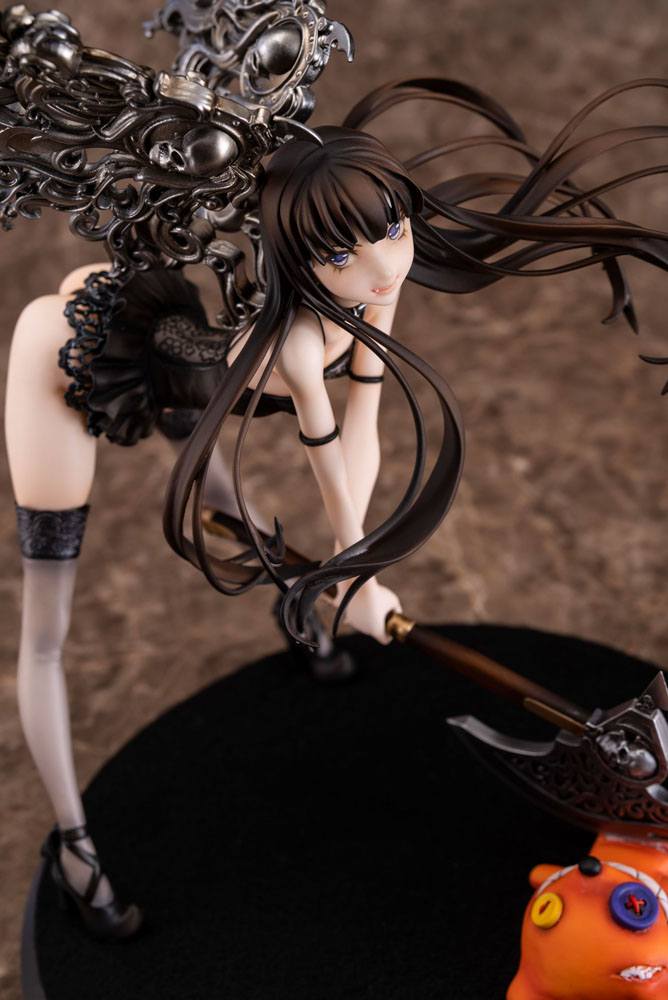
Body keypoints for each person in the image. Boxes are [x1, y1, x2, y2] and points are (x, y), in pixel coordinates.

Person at [5, 72, 668, 939]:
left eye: (391, 229)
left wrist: (360, 576)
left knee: (228, 499)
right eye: (343, 255)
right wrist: (356, 573)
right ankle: (75, 845)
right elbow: (328, 478)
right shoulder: (293, 339)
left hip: (178, 356)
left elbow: (367, 424)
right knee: (48, 626)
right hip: (64, 364)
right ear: (298, 259)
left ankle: (305, 619)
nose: (386, 267)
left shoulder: (373, 290)